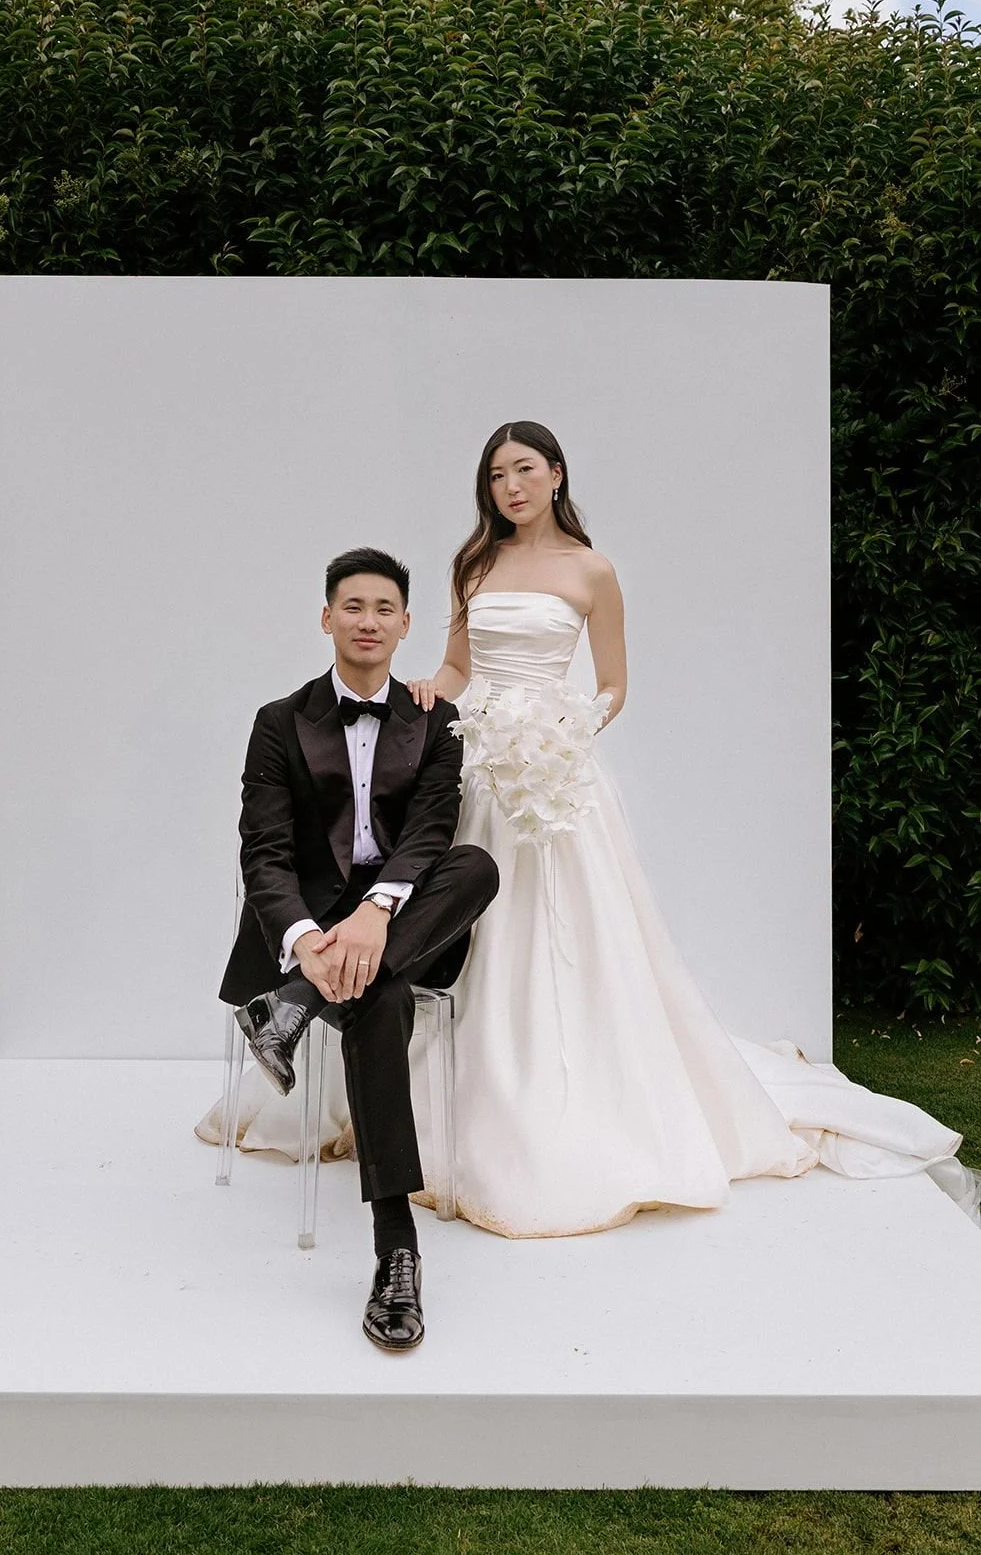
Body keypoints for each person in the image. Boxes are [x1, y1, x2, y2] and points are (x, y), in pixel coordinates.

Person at [398, 419, 972, 1236]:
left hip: (553, 782)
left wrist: (557, 747)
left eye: (523, 469)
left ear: (556, 474)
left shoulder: (591, 569)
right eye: (495, 476)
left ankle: (582, 1101)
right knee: (477, 934)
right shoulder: (474, 564)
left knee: (567, 940)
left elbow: (611, 686)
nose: (510, 487)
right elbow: (459, 668)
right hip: (483, 769)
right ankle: (468, 1096)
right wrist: (433, 689)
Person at [213, 546, 498, 1345]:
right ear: (326, 617)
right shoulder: (279, 721)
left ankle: (293, 1010)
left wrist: (375, 911)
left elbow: (433, 830)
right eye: (352, 607)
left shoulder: (436, 718)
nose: (367, 621)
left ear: (405, 624)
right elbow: (263, 855)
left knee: (475, 865)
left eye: (383, 609)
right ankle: (395, 1251)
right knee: (381, 998)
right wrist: (307, 942)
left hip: (401, 919)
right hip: (307, 926)